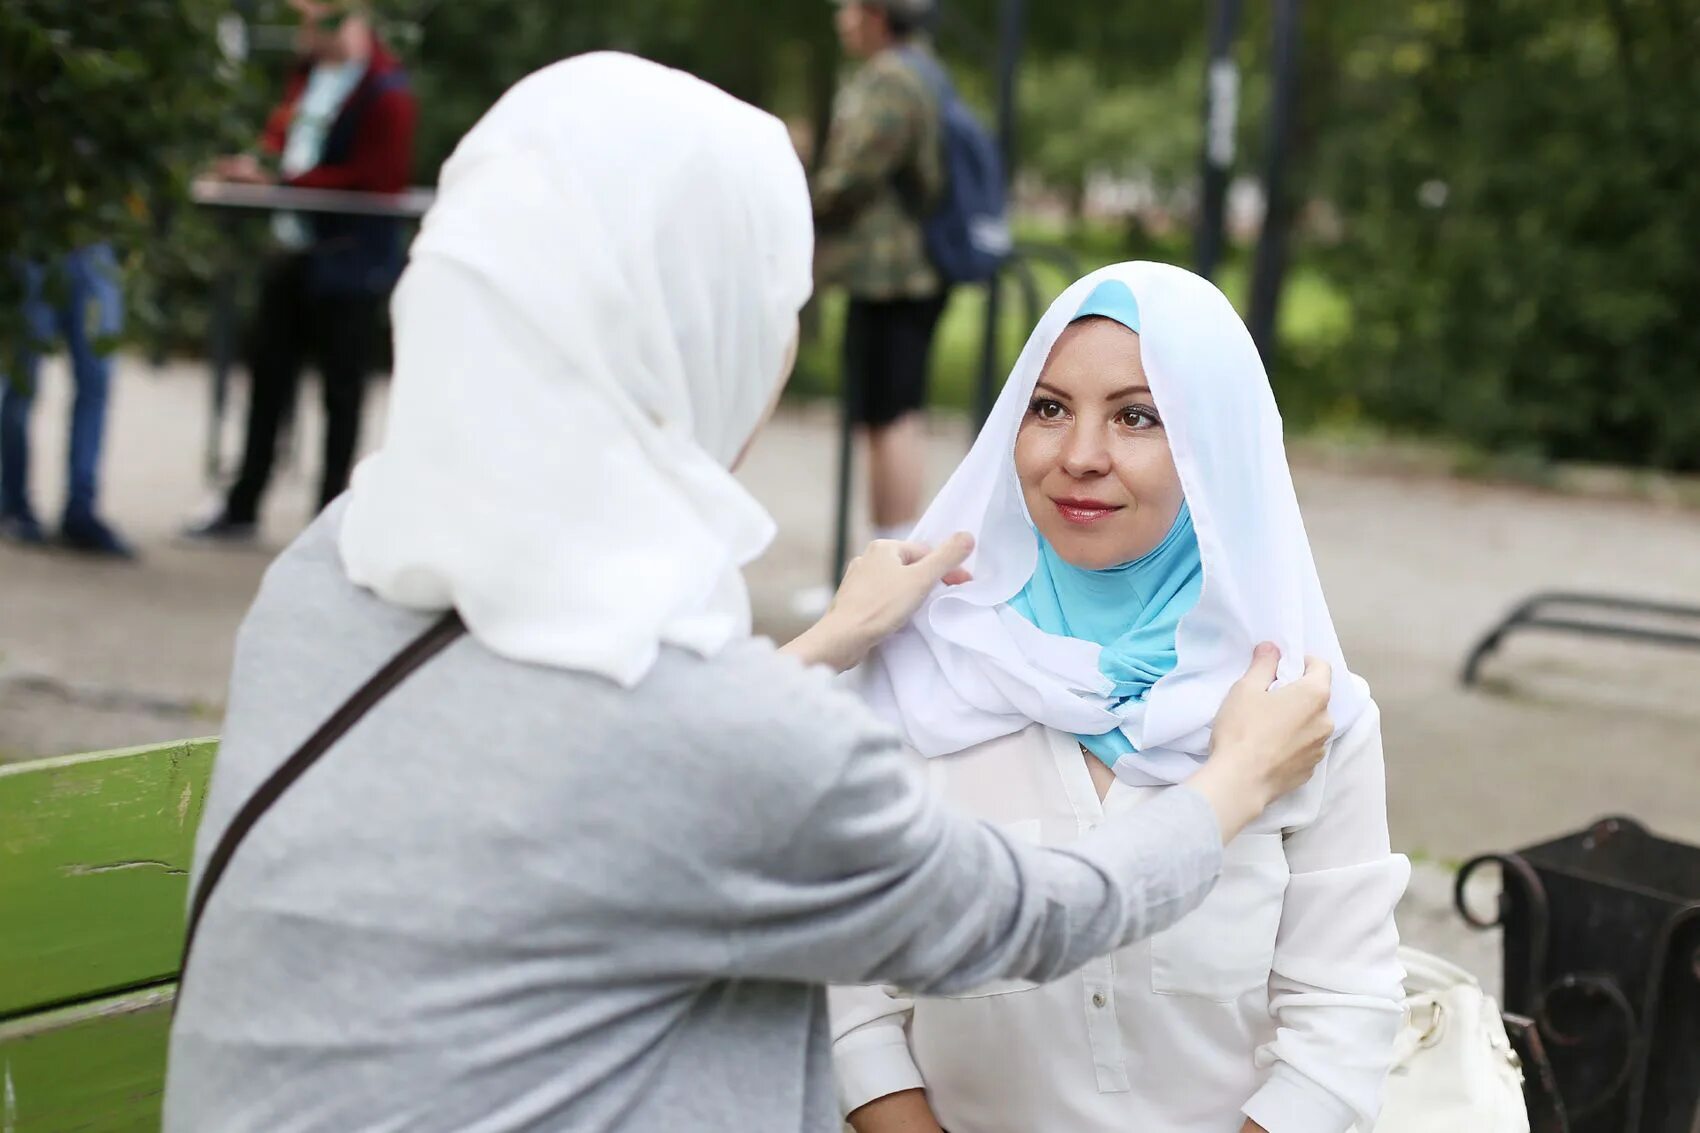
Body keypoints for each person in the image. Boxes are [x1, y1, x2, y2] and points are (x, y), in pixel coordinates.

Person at [164, 56, 1336, 1133]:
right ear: (697, 336)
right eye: (775, 309)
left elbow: (589, 764)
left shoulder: (332, 565)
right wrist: (1231, 780)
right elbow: (1020, 916)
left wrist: (827, 637)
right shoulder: (718, 724)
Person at [831, 266, 1410, 1133]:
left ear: (1214, 445)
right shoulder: (916, 674)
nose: (1079, 456)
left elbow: (1342, 1020)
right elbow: (848, 999)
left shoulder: (1305, 712)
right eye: (1049, 407)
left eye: (1138, 416)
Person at [185, 0, 416, 543]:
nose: (300, 34)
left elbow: (377, 178)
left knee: (341, 392)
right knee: (269, 380)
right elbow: (284, 144)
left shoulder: (387, 91)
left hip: (349, 260)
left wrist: (287, 186)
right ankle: (245, 502)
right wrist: (257, 170)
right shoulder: (310, 76)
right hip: (293, 251)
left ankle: (329, 518)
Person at [815, 0, 947, 544]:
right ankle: (886, 554)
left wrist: (804, 199)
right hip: (901, 274)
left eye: (847, 8)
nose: (840, 19)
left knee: (891, 416)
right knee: (888, 414)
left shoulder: (892, 79)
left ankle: (892, 559)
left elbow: (854, 172)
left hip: (894, 275)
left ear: (875, 15)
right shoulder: (922, 68)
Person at [0, 244, 133, 556]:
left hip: (96, 245)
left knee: (96, 379)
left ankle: (81, 510)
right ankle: (12, 502)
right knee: (21, 381)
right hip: (36, 242)